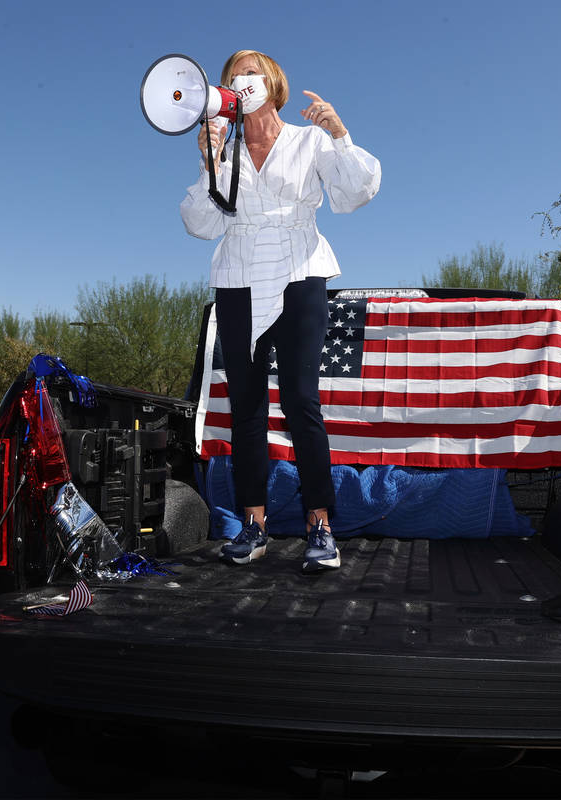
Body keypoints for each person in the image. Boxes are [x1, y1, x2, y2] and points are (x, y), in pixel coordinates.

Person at [179, 49, 381, 573]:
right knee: (246, 407)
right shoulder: (223, 150)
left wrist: (339, 133)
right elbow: (201, 224)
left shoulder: (308, 140)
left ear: (271, 82)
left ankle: (320, 523)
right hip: (239, 277)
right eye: (232, 76)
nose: (242, 81)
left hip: (299, 270)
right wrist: (208, 162)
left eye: (250, 72)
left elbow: (356, 192)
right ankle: (254, 525)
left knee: (299, 399)